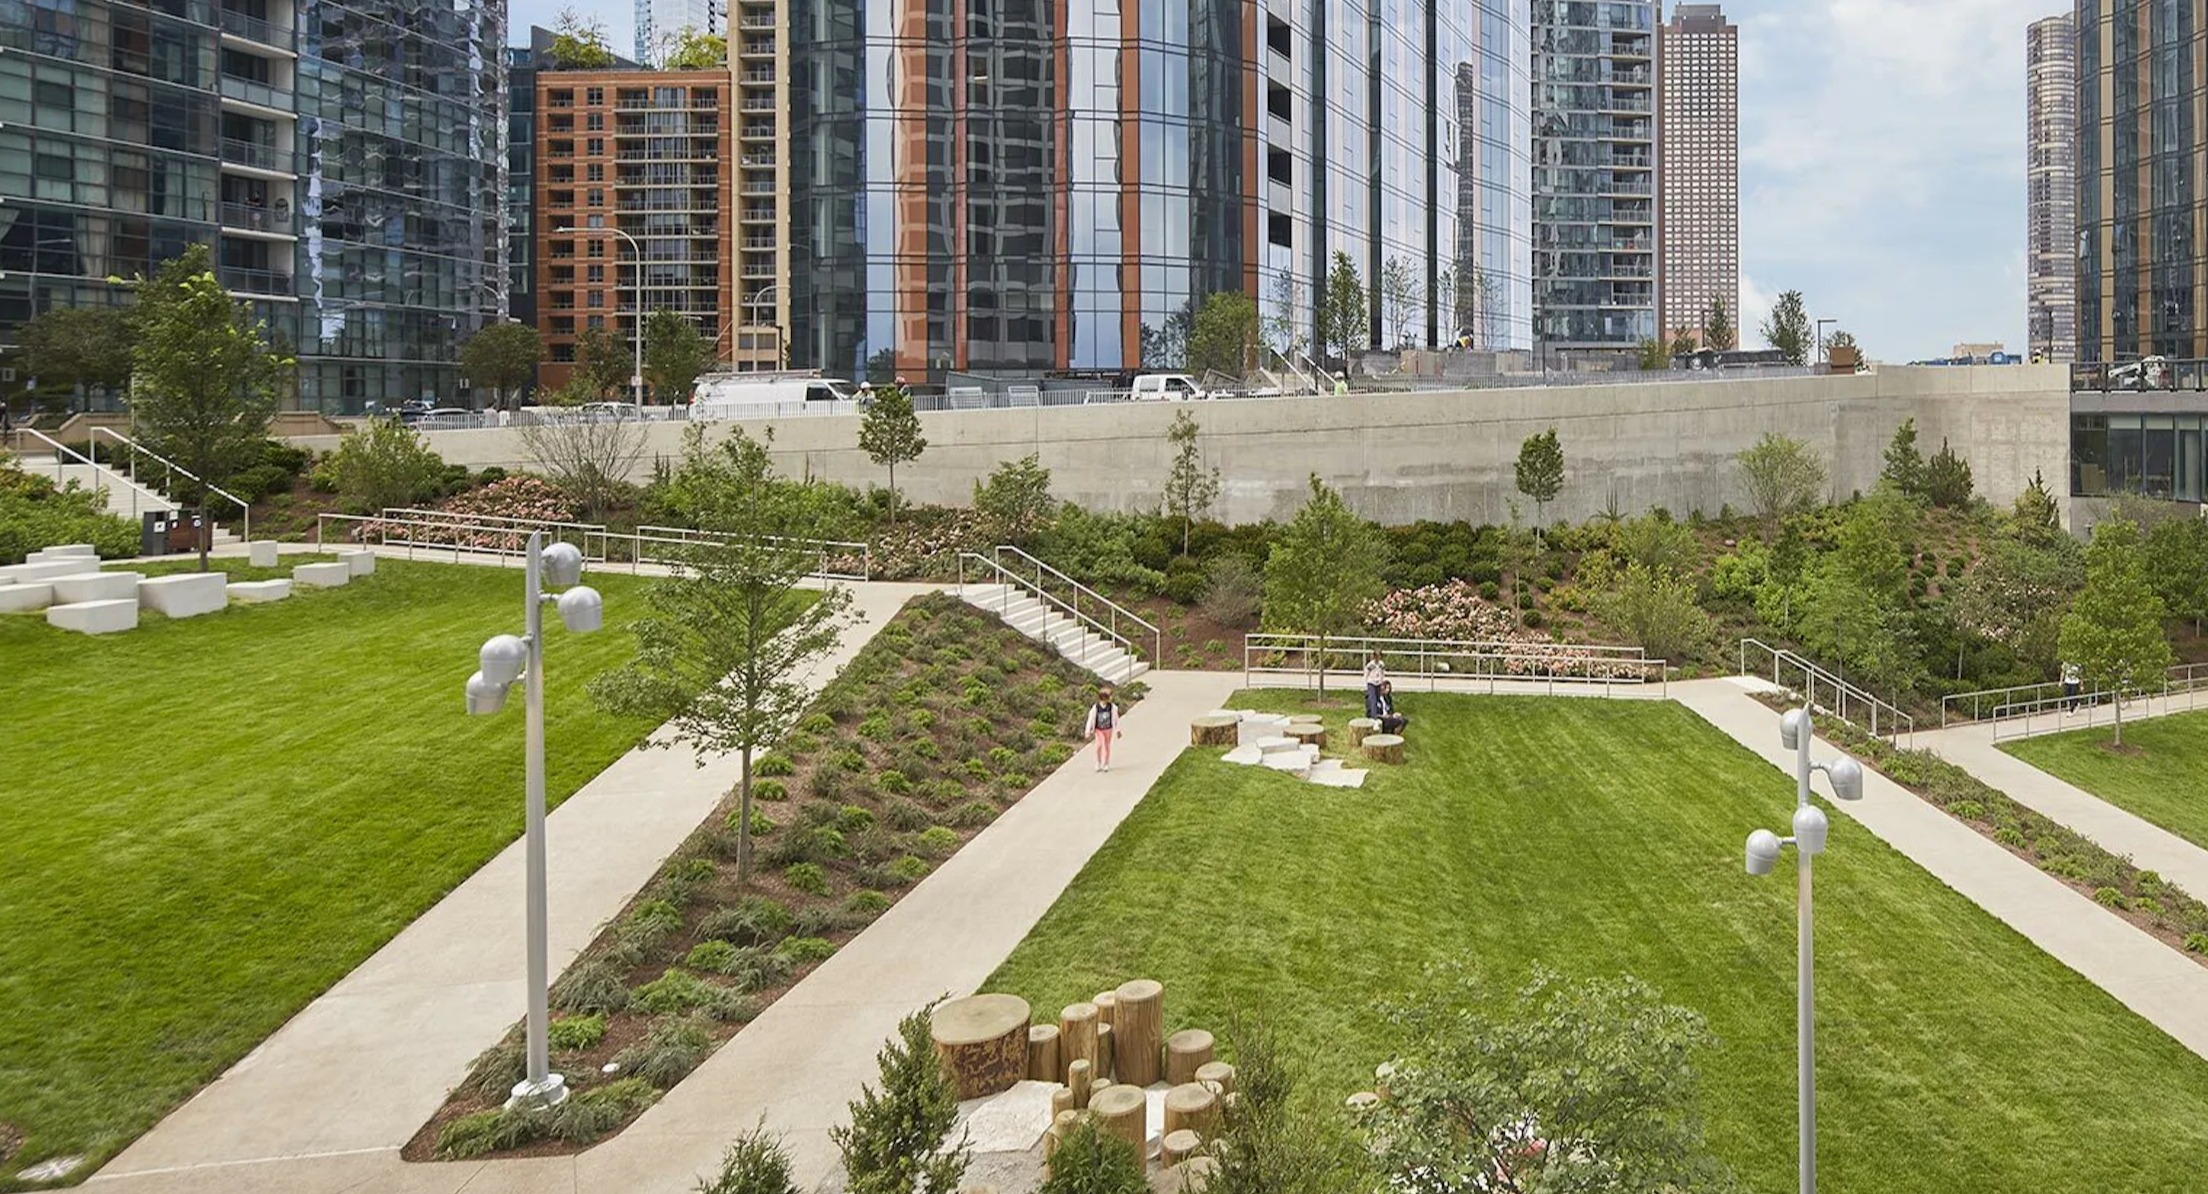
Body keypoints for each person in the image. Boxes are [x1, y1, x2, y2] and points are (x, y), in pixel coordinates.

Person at [1084, 686, 1122, 772]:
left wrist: (1118, 730)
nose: (1112, 698)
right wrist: (1088, 731)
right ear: (1104, 697)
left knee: (1107, 746)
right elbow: (1091, 719)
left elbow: (1116, 719)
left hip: (1108, 729)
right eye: (1110, 696)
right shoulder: (1096, 707)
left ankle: (1106, 763)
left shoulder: (1112, 707)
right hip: (1099, 730)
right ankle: (1098, 762)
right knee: (1099, 746)